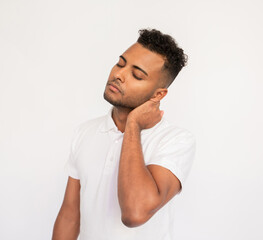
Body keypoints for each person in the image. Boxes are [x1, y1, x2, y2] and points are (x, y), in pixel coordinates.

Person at [52, 28, 196, 240]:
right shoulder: (85, 132)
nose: (119, 75)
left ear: (158, 95)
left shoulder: (176, 141)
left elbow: (134, 213)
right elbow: (70, 215)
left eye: (137, 75)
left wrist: (133, 125)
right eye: (120, 63)